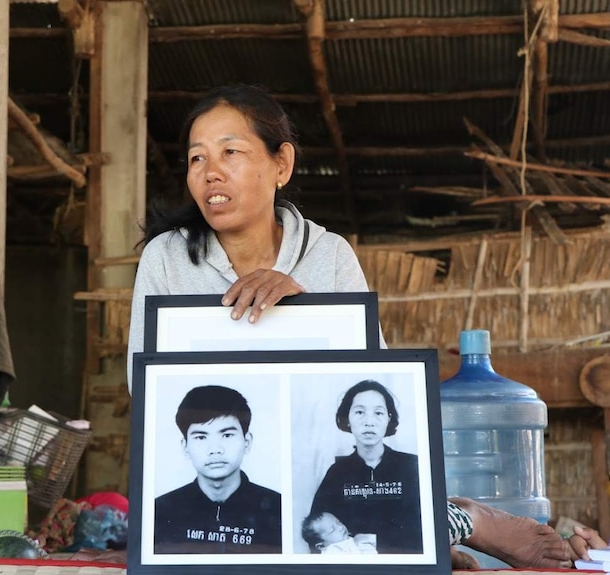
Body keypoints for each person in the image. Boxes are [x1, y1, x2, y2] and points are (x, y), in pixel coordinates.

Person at [126, 82, 581, 569]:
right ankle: (452, 521)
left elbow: (374, 375)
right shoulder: (168, 257)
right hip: (229, 446)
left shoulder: (329, 255)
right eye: (196, 159)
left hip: (309, 455)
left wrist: (303, 305)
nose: (210, 172)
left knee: (352, 517)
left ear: (282, 164)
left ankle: (464, 520)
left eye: (230, 152)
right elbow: (144, 384)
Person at [153, 385, 282, 554]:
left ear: (247, 442)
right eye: (201, 437)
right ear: (185, 446)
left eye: (227, 435)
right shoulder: (159, 511)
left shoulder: (278, 508)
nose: (215, 449)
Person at [308, 379, 422, 553]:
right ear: (347, 419)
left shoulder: (413, 466)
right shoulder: (337, 472)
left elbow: (428, 530)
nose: (369, 422)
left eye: (378, 413)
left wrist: (376, 540)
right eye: (360, 412)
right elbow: (316, 536)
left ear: (388, 419)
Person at [301, 510, 377, 555]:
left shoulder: (344, 539)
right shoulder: (332, 551)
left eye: (339, 522)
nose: (340, 527)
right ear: (321, 546)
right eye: (332, 530)